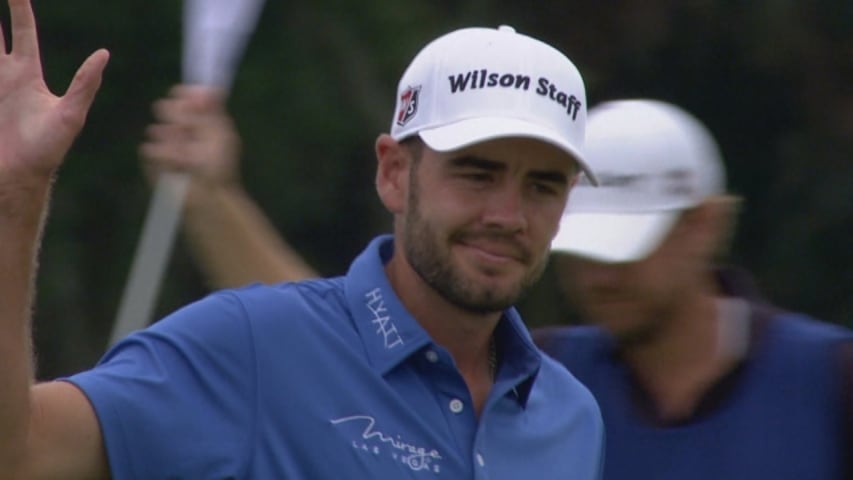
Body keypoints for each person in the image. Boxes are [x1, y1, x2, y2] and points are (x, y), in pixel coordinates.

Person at [1, 1, 605, 477]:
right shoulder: (253, 343)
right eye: (478, 173)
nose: (509, 214)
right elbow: (20, 455)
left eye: (543, 186)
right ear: (395, 173)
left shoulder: (573, 417)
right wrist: (15, 198)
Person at [536, 99, 853, 479]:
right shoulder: (534, 377)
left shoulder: (831, 380)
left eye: (625, 251)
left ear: (705, 225)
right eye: (584, 252)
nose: (598, 278)